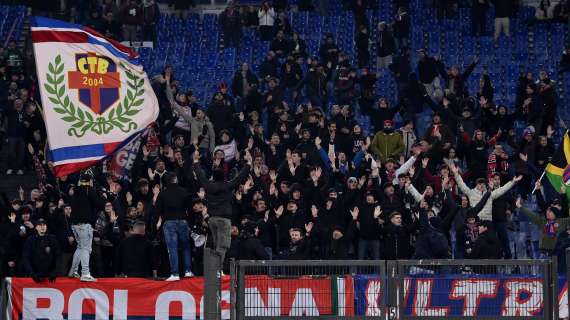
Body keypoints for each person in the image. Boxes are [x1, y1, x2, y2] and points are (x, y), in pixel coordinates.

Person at [192, 149, 252, 268]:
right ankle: (217, 270)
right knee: (222, 245)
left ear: (213, 177)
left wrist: (195, 161)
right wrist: (248, 164)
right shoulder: (227, 185)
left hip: (212, 219)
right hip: (224, 220)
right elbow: (240, 177)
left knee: (215, 244)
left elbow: (200, 175)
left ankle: (214, 269)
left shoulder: (208, 185)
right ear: (223, 176)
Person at [154, 172, 194, 281]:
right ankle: (188, 271)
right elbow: (190, 209)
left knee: (172, 248)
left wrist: (154, 225)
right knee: (186, 247)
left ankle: (175, 274)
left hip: (169, 222)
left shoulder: (163, 194)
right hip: (183, 221)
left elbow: (157, 211)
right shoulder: (184, 191)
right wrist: (190, 222)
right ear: (175, 179)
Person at [68, 173, 106, 282]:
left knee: (80, 247)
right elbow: (100, 204)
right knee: (86, 248)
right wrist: (103, 196)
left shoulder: (74, 191)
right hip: (84, 225)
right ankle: (85, 273)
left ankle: (73, 271)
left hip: (74, 225)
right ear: (90, 181)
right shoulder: (89, 190)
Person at [21, 218, 60, 283]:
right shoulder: (30, 240)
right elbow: (25, 257)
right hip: (35, 276)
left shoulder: (52, 239)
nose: (42, 227)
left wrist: (55, 272)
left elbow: (58, 256)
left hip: (49, 276)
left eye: (44, 225)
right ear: (36, 227)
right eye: (40, 225)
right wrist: (32, 273)